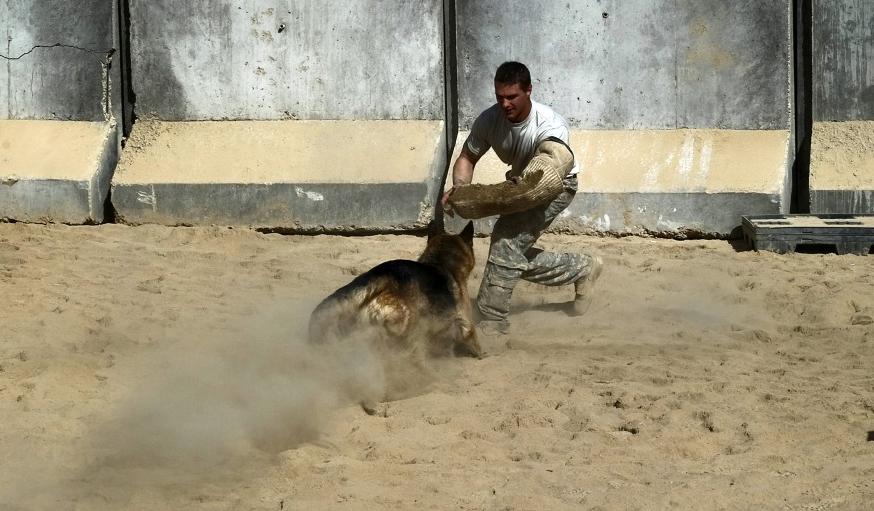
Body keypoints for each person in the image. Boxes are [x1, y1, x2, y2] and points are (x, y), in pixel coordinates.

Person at [441, 61, 602, 334]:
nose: (504, 104)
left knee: (505, 241)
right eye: (499, 97)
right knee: (511, 254)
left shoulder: (550, 125)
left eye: (511, 97)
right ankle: (581, 268)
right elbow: (467, 157)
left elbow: (546, 176)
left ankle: (492, 322)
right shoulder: (489, 120)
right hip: (520, 185)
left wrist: (486, 198)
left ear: (529, 90)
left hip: (556, 185)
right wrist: (461, 190)